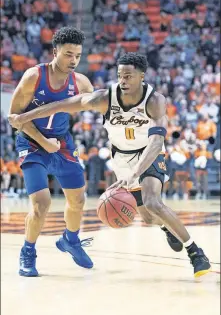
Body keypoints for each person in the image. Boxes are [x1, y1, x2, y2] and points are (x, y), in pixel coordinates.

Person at [9, 53, 211, 277]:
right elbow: (63, 105)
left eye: (128, 76)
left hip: (149, 154)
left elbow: (156, 143)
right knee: (147, 217)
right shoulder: (106, 98)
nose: (123, 81)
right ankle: (166, 227)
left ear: (142, 76)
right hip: (121, 159)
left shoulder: (155, 101)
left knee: (153, 202)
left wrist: (135, 172)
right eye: (120, 76)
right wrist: (25, 116)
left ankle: (196, 253)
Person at [8, 27, 95, 277]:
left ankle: (70, 239)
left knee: (78, 200)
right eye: (68, 54)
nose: (74, 61)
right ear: (55, 51)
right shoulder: (33, 76)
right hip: (32, 143)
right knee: (42, 204)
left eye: (78, 56)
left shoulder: (80, 82)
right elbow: (15, 118)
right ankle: (28, 251)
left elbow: (104, 108)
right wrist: (43, 141)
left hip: (63, 143)